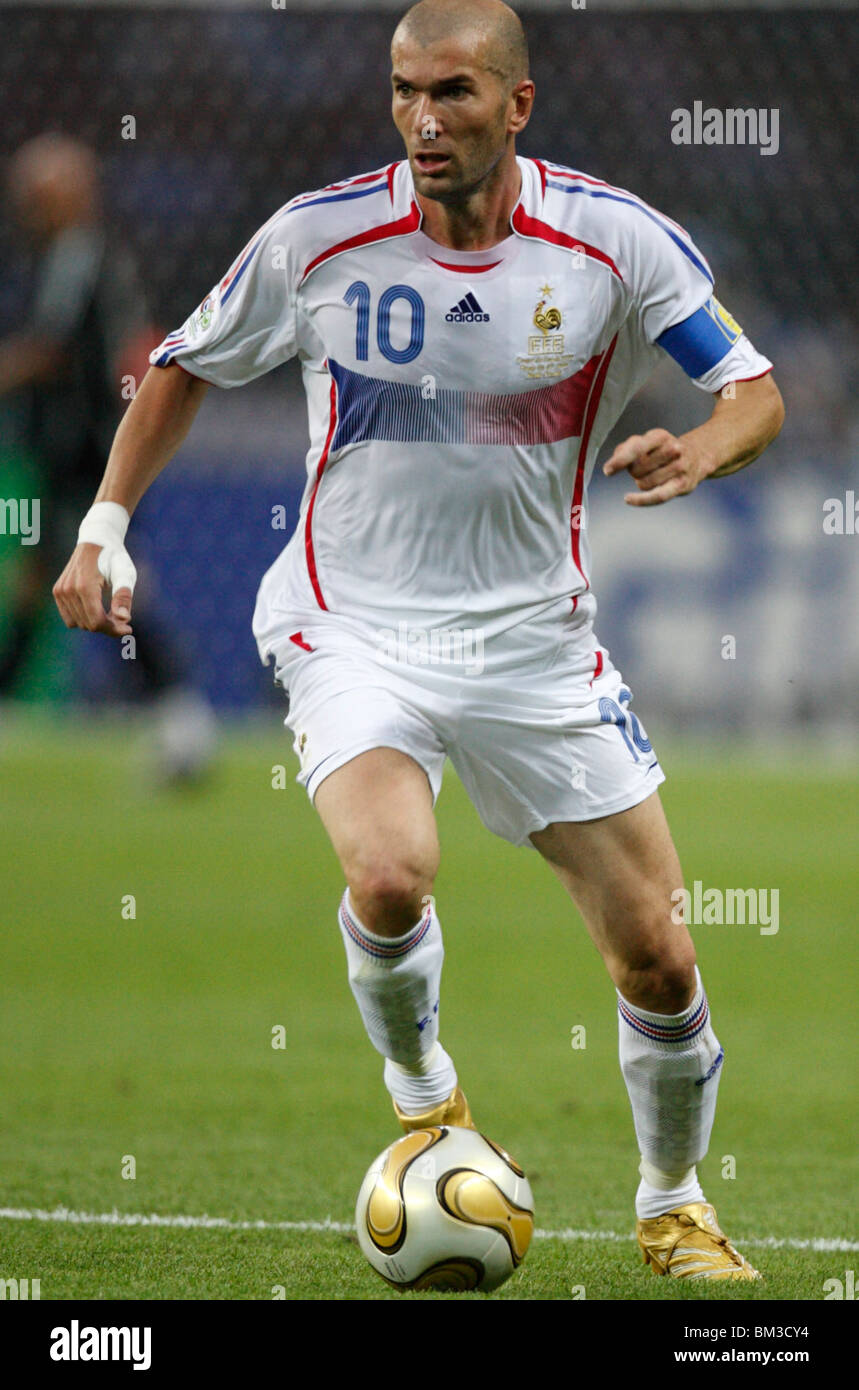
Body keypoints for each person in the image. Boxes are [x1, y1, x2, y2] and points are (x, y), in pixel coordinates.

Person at [53, 0, 784, 1282]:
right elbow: (178, 366)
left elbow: (752, 388)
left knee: (661, 957)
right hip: (353, 626)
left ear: (518, 104)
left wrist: (705, 446)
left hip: (533, 648)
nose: (420, 119)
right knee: (390, 873)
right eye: (402, 90)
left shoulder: (611, 243)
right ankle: (426, 1098)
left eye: (451, 91)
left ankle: (673, 1205)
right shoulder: (321, 236)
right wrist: (104, 527)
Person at [1, 132, 216, 779]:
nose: (28, 205)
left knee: (101, 586)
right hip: (65, 454)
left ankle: (183, 719)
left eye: (39, 192)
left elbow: (54, 348)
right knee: (45, 579)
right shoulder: (74, 258)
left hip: (87, 456)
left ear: (70, 193)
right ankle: (178, 717)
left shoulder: (80, 257)